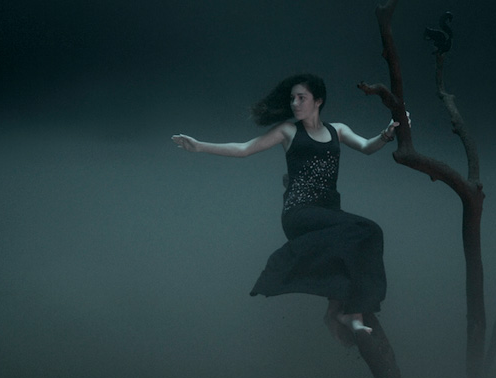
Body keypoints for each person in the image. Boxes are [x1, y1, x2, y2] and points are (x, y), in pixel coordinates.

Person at [172, 73, 402, 345]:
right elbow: (244, 149)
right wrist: (199, 146)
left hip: (330, 213)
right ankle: (351, 314)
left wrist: (387, 135)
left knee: (352, 246)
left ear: (318, 101)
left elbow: (366, 146)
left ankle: (345, 315)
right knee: (369, 230)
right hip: (300, 212)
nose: (294, 103)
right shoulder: (288, 132)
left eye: (301, 98)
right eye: (292, 98)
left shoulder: (337, 130)